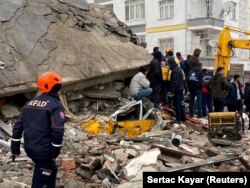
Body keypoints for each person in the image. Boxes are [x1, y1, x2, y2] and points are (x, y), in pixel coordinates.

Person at [11, 71, 65, 188]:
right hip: (44, 151)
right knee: (42, 175)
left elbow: (18, 127)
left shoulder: (29, 103)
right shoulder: (55, 105)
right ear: (56, 87)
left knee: (51, 169)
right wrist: (55, 151)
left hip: (30, 148)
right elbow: (58, 130)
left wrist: (15, 149)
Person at [168, 57, 185, 122]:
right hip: (180, 88)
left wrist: (173, 92)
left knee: (177, 104)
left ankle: (178, 119)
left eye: (169, 64)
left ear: (172, 63)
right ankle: (182, 117)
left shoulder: (175, 71)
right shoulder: (178, 69)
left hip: (177, 90)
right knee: (180, 104)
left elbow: (175, 82)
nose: (168, 66)